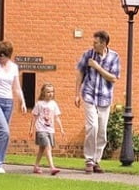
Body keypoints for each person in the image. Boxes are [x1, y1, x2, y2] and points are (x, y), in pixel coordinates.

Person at [74, 30, 120, 174]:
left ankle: (96, 161)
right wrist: (76, 94)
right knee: (92, 126)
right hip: (89, 95)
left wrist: (97, 67)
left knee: (102, 132)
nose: (93, 44)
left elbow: (113, 78)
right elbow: (80, 73)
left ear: (104, 43)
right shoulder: (88, 54)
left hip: (104, 98)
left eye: (96, 42)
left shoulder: (114, 57)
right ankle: (88, 159)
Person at [0, 40, 27, 173]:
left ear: (8, 55)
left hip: (8, 102)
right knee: (4, 131)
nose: (0, 58)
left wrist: (22, 101)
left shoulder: (14, 67)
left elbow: (17, 87)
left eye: (2, 55)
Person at [30, 83, 64, 176]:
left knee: (42, 148)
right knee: (48, 146)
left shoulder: (54, 104)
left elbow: (57, 117)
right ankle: (52, 167)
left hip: (50, 130)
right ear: (43, 93)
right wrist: (31, 129)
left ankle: (36, 166)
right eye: (48, 92)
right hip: (41, 129)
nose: (50, 93)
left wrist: (61, 129)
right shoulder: (39, 104)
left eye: (52, 91)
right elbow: (34, 117)